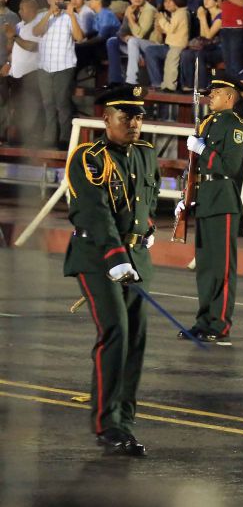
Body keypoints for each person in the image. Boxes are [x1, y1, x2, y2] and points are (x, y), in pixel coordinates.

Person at [64, 85, 158, 457]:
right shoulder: (89, 157)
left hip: (136, 257)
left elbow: (145, 199)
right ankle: (107, 424)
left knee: (135, 338)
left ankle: (125, 420)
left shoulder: (145, 153)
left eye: (138, 117)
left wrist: (147, 229)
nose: (134, 123)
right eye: (126, 116)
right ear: (106, 118)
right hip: (98, 257)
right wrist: (116, 255)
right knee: (115, 330)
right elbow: (93, 210)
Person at [177, 71, 243, 345]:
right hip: (205, 197)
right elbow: (194, 167)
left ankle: (220, 324)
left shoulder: (234, 125)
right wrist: (186, 196)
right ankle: (204, 321)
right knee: (206, 268)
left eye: (216, 93)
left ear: (229, 97)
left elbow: (230, 166)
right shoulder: (207, 123)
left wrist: (203, 150)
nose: (210, 97)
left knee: (222, 268)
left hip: (222, 199)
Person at [34, 0, 84, 148]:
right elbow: (36, 32)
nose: (56, 1)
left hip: (64, 65)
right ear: (48, 0)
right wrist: (49, 13)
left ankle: (65, 139)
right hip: (44, 66)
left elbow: (79, 37)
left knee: (62, 103)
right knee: (47, 103)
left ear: (64, 0)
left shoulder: (71, 16)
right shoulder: (42, 16)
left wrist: (71, 15)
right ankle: (49, 137)